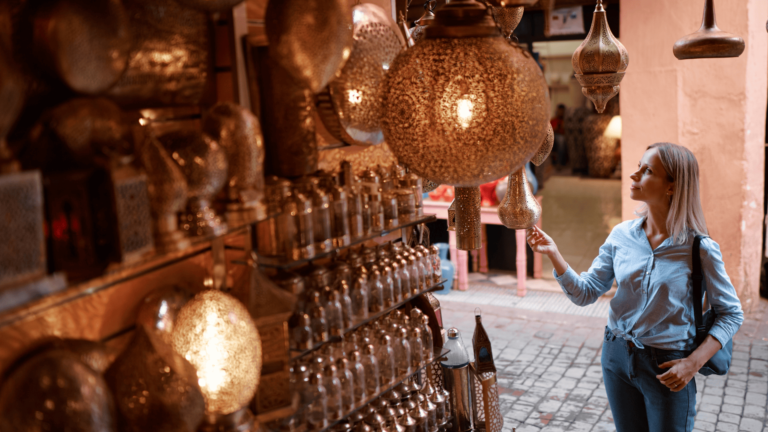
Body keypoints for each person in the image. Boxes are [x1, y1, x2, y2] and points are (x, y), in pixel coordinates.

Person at [526, 143, 743, 432]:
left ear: (671, 187)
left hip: (668, 366)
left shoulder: (700, 248)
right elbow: (585, 293)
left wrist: (692, 364)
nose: (633, 175)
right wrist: (554, 254)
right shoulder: (621, 235)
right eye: (638, 167)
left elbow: (731, 313)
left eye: (647, 171)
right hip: (615, 355)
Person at [550, 104, 567, 168]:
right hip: (555, 137)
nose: (561, 112)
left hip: (565, 136)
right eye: (560, 111)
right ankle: (559, 162)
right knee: (561, 140)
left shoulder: (566, 121)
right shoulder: (553, 120)